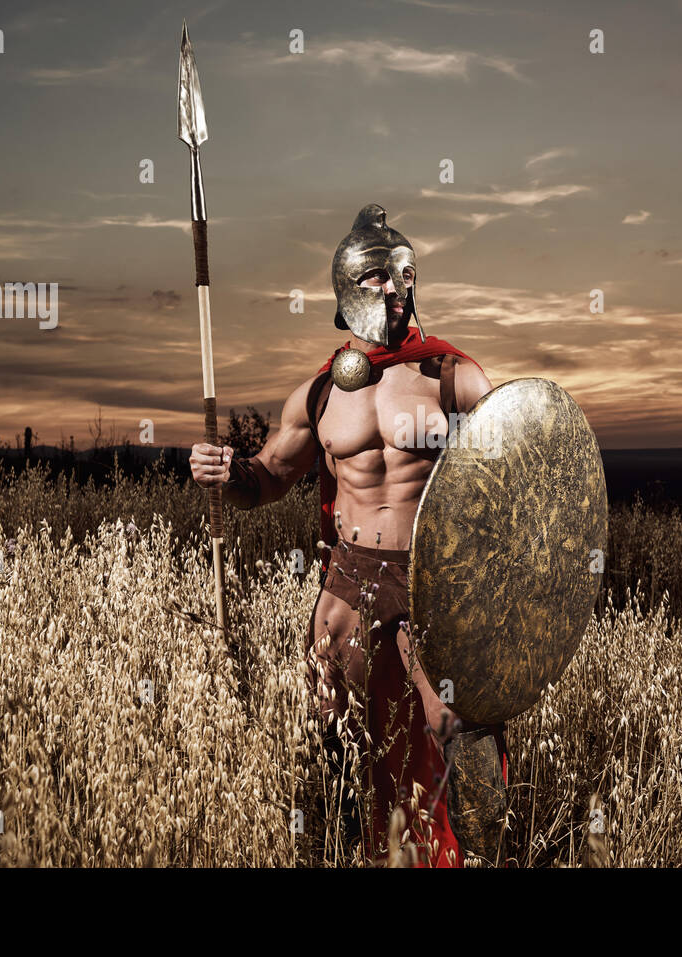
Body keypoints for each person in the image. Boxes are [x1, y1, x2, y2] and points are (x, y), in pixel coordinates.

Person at [190, 204, 507, 866]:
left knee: (459, 748)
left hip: (433, 582)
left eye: (399, 276)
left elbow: (516, 486)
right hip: (351, 583)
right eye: (372, 279)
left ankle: (458, 857)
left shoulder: (456, 379)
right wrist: (227, 472)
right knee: (353, 753)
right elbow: (271, 474)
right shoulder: (321, 394)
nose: (390, 290)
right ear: (344, 291)